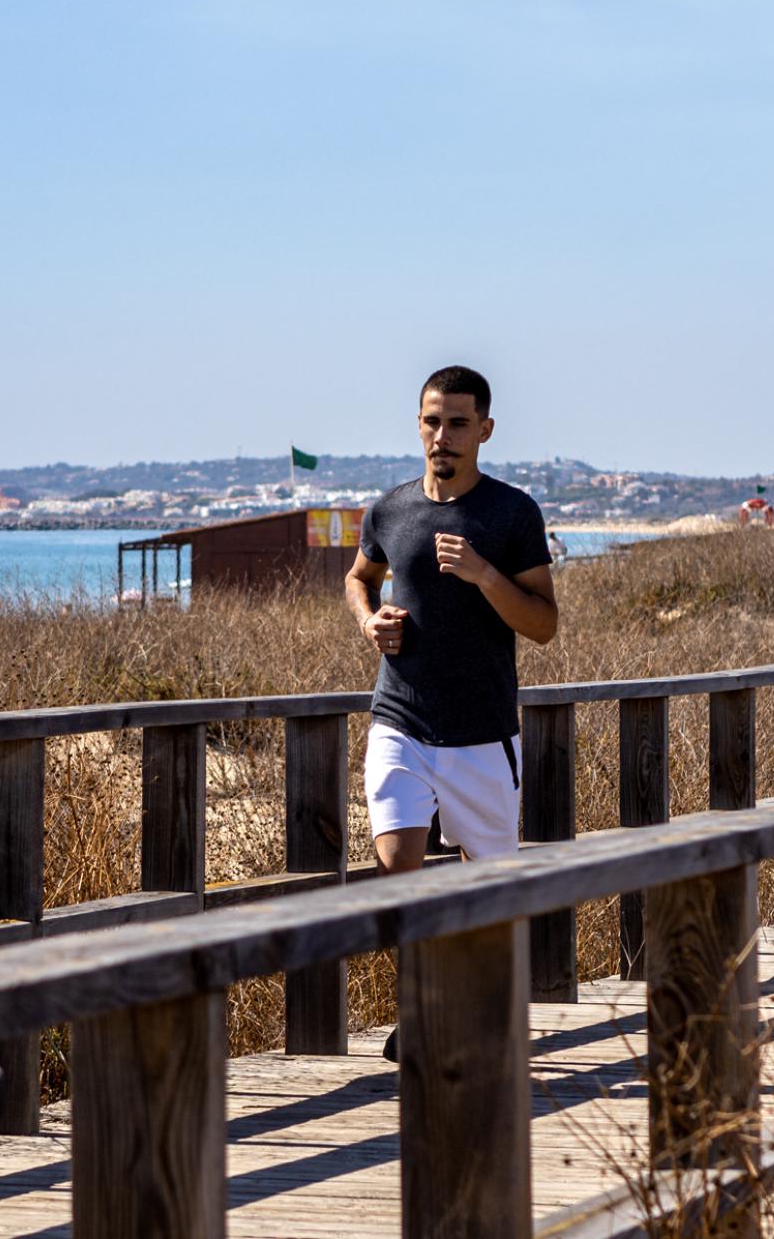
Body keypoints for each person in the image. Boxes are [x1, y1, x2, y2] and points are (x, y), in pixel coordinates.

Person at [344, 366, 559, 1057]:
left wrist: (483, 574)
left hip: (481, 731)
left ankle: (484, 1010)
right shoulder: (391, 509)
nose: (444, 436)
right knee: (398, 864)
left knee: (491, 888)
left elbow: (544, 625)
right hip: (399, 717)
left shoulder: (512, 513)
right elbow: (358, 576)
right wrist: (369, 620)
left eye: (459, 423)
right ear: (418, 424)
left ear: (485, 431)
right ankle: (426, 1004)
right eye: (433, 421)